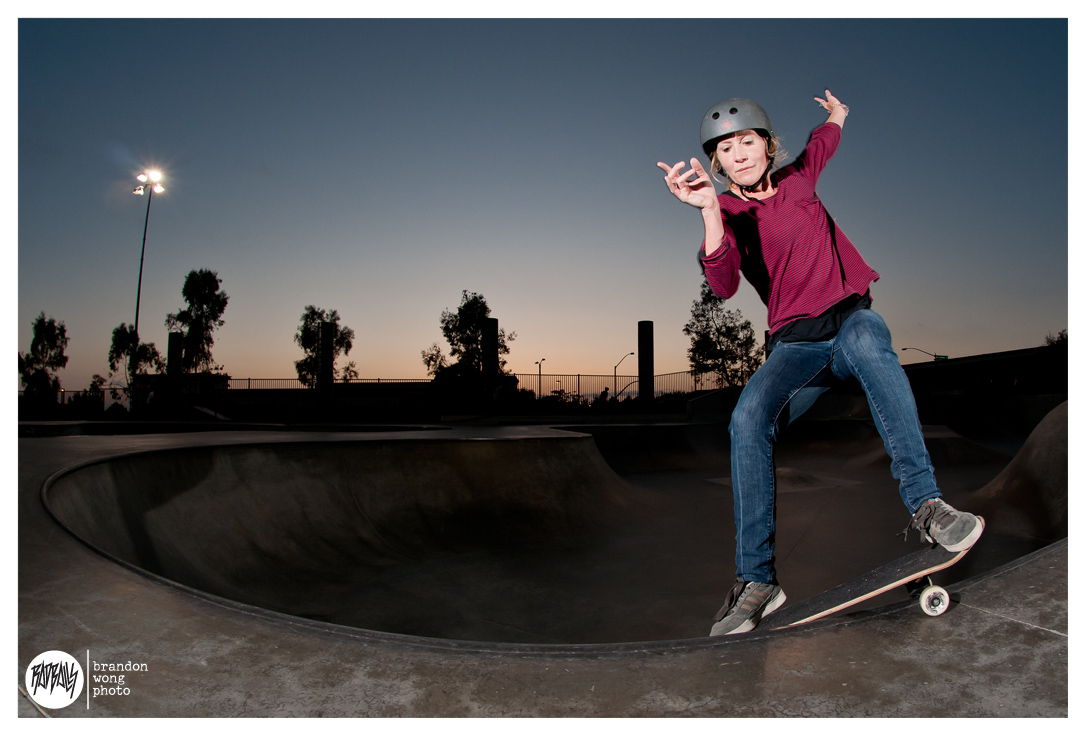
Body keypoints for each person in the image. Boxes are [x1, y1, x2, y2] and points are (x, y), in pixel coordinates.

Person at [656, 90, 983, 636]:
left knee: (869, 340)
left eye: (747, 142)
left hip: (850, 321)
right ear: (717, 164)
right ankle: (757, 580)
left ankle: (928, 507)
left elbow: (824, 140)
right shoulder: (728, 212)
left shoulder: (799, 177)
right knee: (747, 420)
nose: (739, 154)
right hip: (796, 347)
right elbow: (723, 284)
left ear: (767, 145)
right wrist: (709, 211)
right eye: (726, 150)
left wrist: (838, 113)